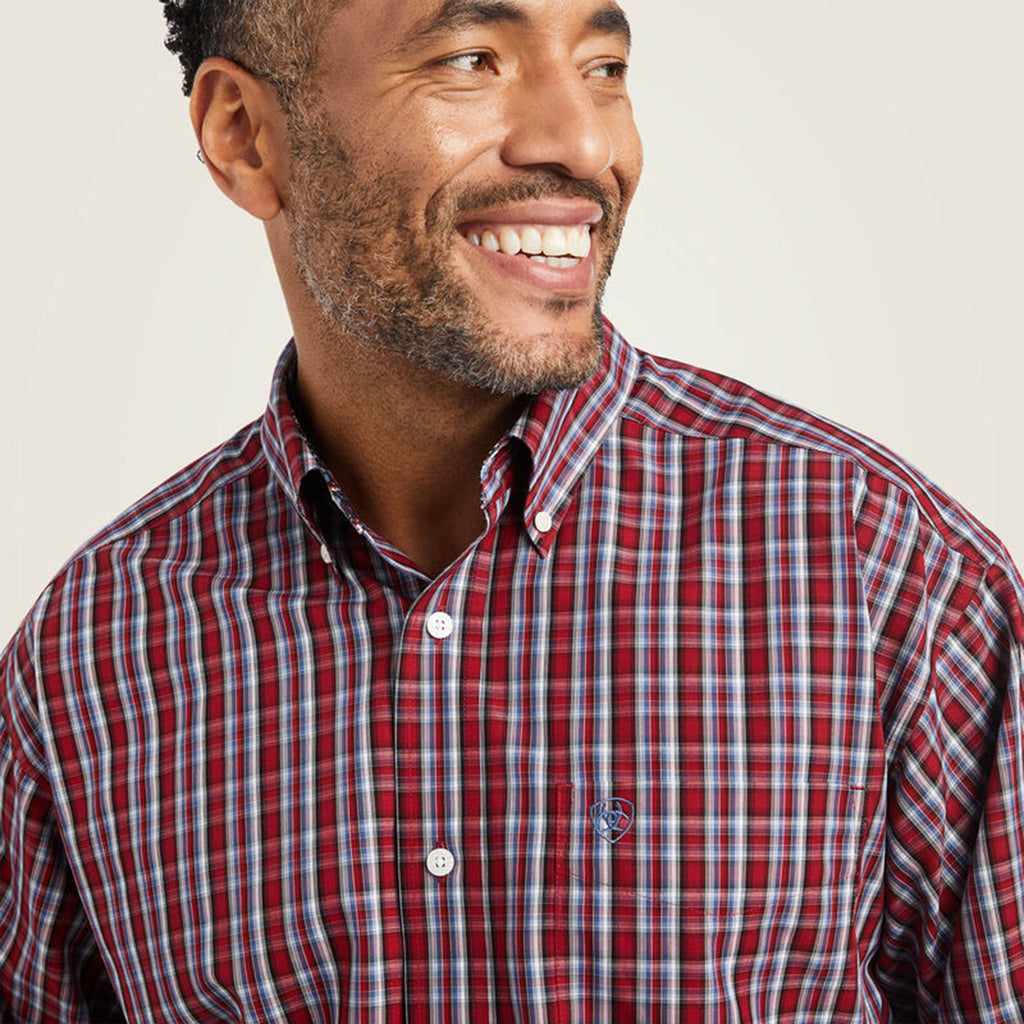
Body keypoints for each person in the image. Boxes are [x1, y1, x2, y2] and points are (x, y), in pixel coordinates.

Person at [1, 0, 1022, 1019]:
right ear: (243, 136)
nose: (584, 143)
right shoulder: (86, 659)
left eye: (603, 66)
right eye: (471, 59)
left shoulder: (892, 579)